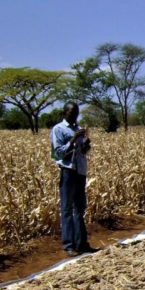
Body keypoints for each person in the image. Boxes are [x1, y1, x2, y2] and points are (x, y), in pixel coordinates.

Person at [51, 102, 96, 256]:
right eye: (71, 112)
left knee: (79, 208)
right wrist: (72, 140)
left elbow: (81, 152)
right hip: (68, 170)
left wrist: (85, 145)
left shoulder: (78, 129)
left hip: (80, 171)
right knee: (67, 208)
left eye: (76, 112)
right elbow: (57, 153)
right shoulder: (58, 129)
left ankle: (81, 242)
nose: (74, 115)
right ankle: (68, 244)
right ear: (65, 112)